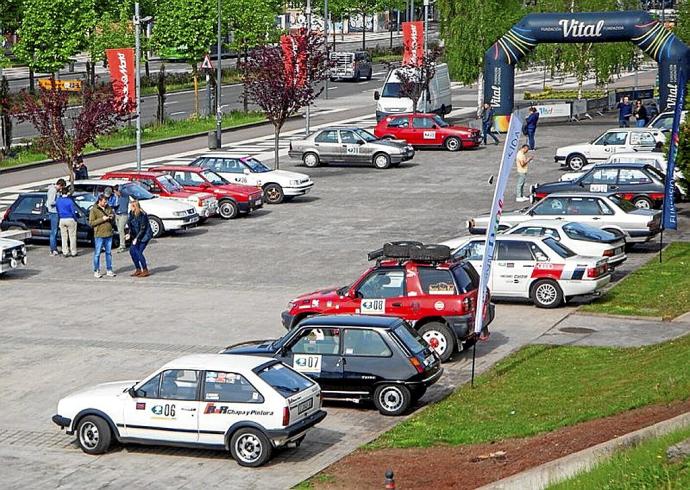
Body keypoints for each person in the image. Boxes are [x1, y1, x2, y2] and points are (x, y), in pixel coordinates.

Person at [88, 194, 116, 278]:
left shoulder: (109, 208)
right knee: (97, 253)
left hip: (109, 233)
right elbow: (91, 223)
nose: (106, 203)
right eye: (104, 202)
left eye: (106, 201)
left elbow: (113, 217)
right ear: (99, 201)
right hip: (99, 234)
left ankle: (109, 269)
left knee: (108, 253)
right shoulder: (94, 210)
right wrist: (102, 219)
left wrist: (112, 217)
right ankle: (96, 270)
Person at [126, 199, 153, 277]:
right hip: (136, 236)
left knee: (138, 252)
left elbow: (143, 229)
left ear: (135, 207)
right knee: (132, 251)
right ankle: (138, 269)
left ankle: (145, 269)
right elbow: (131, 226)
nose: (130, 208)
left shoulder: (142, 215)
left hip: (144, 236)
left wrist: (136, 239)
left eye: (131, 206)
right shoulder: (131, 213)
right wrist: (129, 234)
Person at [56, 188, 79, 257]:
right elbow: (73, 211)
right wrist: (75, 219)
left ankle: (65, 252)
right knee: (72, 236)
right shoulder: (70, 201)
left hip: (62, 219)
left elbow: (57, 209)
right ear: (67, 193)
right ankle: (73, 252)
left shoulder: (58, 200)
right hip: (70, 218)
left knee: (64, 237)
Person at [46, 178, 66, 256]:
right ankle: (53, 249)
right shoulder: (53, 190)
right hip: (53, 212)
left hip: (54, 212)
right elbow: (51, 202)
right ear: (60, 185)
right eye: (62, 187)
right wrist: (59, 201)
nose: (61, 189)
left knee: (55, 231)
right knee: (53, 232)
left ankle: (54, 248)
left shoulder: (54, 190)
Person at [112, 185, 130, 253]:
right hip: (117, 214)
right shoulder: (116, 197)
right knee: (119, 230)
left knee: (121, 229)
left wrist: (120, 189)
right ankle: (122, 243)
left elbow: (124, 189)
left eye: (115, 192)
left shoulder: (124, 195)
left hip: (123, 215)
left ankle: (122, 245)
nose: (115, 194)